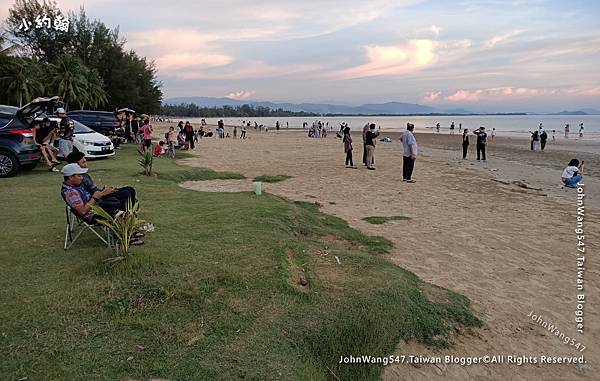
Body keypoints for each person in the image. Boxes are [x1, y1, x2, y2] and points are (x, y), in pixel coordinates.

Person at [61, 163, 135, 221]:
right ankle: (127, 228)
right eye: (79, 176)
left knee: (129, 190)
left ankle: (129, 220)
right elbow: (83, 211)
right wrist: (96, 197)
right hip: (93, 214)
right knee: (121, 198)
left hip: (97, 204)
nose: (82, 177)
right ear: (71, 177)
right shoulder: (71, 192)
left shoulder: (75, 186)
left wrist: (102, 192)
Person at [66, 151, 137, 211]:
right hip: (98, 200)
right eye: (83, 162)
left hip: (99, 195)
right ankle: (127, 216)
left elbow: (93, 190)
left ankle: (130, 214)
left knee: (130, 189)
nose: (86, 165)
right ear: (75, 165)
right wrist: (104, 192)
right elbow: (91, 197)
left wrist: (103, 190)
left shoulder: (82, 176)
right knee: (126, 193)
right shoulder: (77, 180)